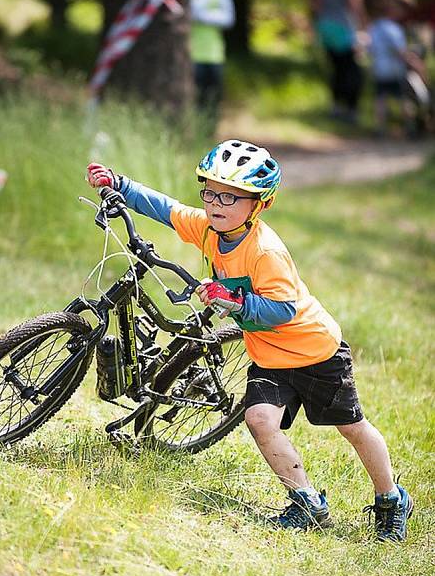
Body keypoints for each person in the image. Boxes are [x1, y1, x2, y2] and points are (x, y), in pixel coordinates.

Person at [85, 141, 414, 542]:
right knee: (258, 420)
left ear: (259, 204)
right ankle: (308, 502)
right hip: (268, 356)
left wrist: (232, 299)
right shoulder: (210, 228)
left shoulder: (265, 251)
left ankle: (391, 498)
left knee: (352, 427)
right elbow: (166, 209)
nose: (216, 204)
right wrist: (119, 183)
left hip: (314, 352)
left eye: (230, 197)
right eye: (209, 191)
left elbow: (283, 310)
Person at [311, 0, 366, 123]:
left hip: (326, 26)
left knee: (337, 69)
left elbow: (316, 4)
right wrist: (362, 27)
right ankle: (351, 110)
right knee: (352, 70)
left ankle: (336, 107)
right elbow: (354, 4)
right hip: (344, 26)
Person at [189, 0, 235, 119]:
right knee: (192, 108)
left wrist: (202, 15)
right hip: (189, 53)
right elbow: (193, 12)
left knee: (211, 110)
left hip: (214, 52)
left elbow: (228, 17)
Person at [368, 0, 429, 137]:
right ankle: (410, 127)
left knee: (380, 98)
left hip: (378, 68)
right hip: (394, 69)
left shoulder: (374, 27)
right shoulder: (393, 29)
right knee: (403, 98)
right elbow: (400, 52)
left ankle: (380, 128)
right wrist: (416, 64)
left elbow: (371, 48)